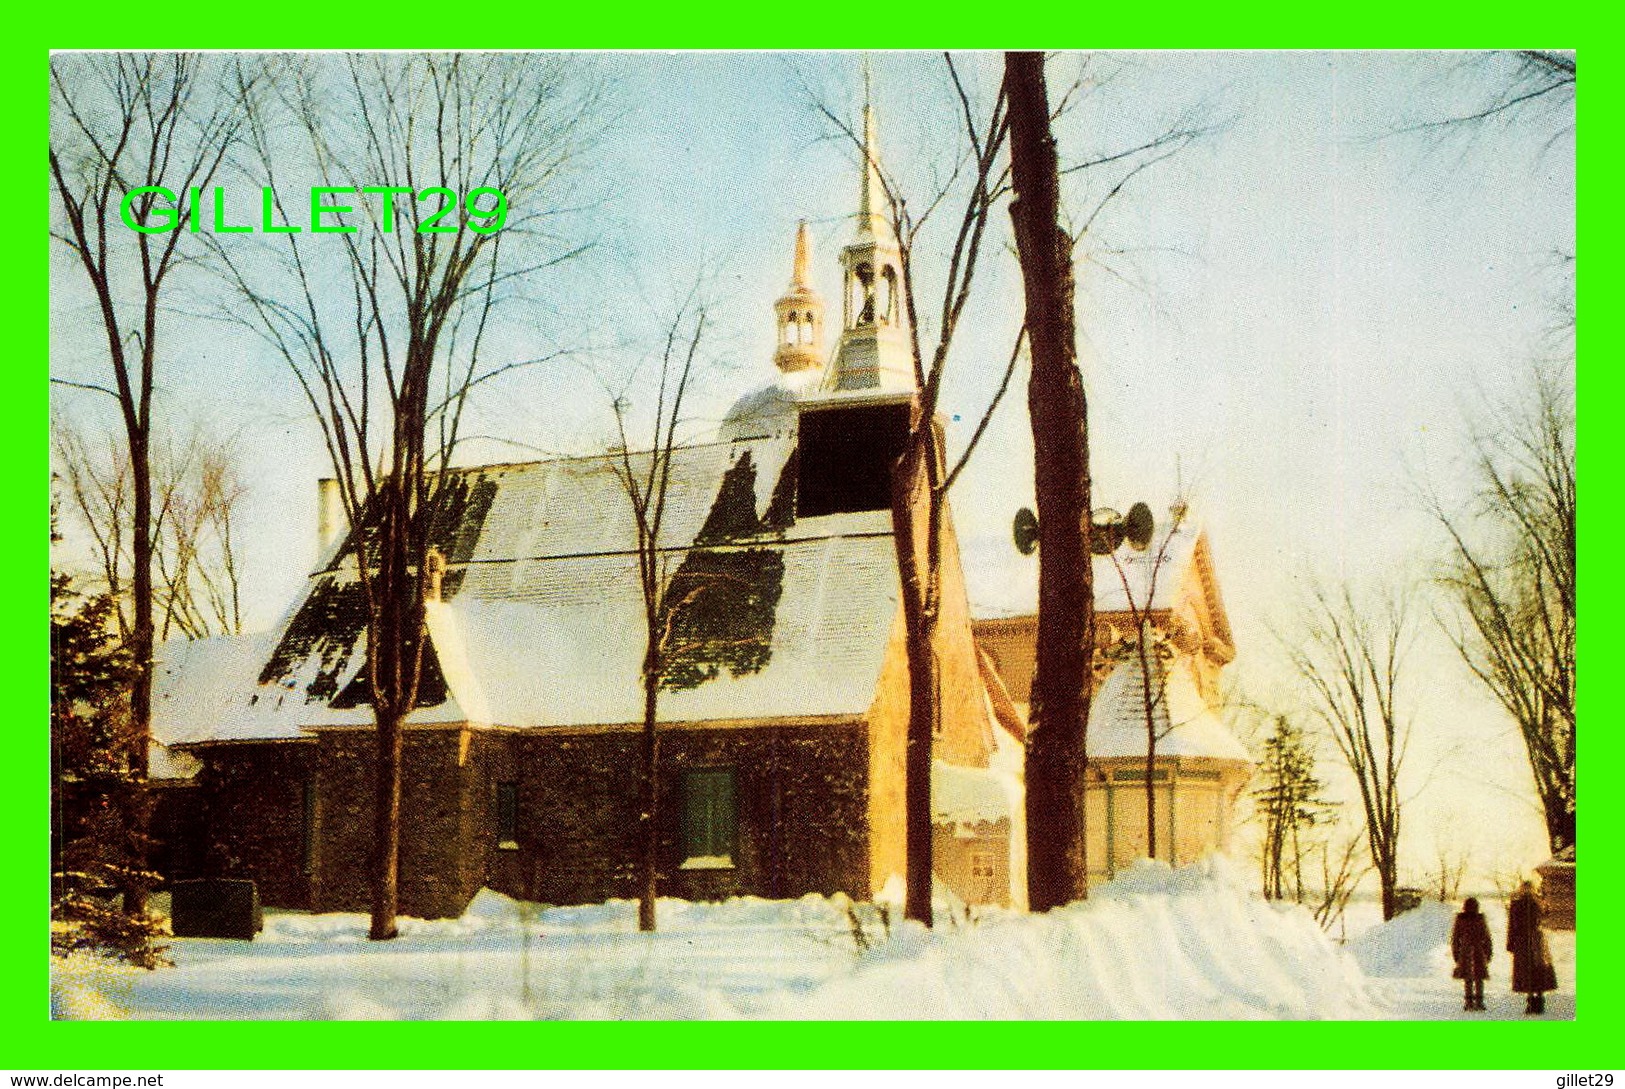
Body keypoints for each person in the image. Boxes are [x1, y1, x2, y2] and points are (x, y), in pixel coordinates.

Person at [1507, 879, 1558, 1014]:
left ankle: (1530, 1004)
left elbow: (1512, 925)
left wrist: (1510, 943)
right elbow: (1547, 918)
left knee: (1526, 972)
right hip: (1538, 941)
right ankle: (1539, 1003)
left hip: (1523, 941)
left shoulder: (1516, 904)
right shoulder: (1539, 902)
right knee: (1539, 970)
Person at [1451, 896, 1493, 1011]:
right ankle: (1478, 1001)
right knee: (1477, 977)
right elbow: (1487, 937)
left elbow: (1455, 938)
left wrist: (1456, 954)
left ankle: (1470, 1002)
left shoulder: (1461, 919)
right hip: (1477, 950)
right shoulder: (1478, 919)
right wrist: (1488, 952)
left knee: (1469, 978)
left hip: (1466, 950)